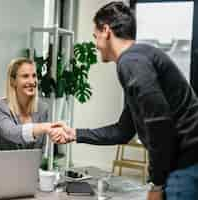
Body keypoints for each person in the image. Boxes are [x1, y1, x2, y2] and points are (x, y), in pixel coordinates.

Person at [50, 1, 198, 200]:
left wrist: (157, 183)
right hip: (184, 164)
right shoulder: (140, 57)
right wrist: (74, 134)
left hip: (186, 166)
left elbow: (158, 122)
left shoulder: (131, 61)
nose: (95, 45)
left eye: (95, 36)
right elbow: (122, 131)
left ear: (106, 30)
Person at [0, 58, 59, 150]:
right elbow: (11, 132)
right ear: (13, 81)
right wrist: (44, 127)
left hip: (32, 164)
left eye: (34, 76)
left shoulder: (42, 108)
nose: (32, 82)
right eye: (25, 76)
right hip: (5, 164)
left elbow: (40, 150)